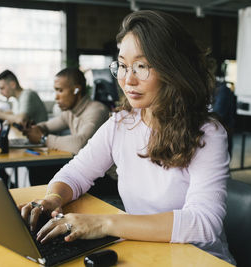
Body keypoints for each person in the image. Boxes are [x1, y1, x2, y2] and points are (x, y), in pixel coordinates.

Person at [20, 10, 235, 265]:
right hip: (144, 252)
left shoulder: (207, 133)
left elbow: (203, 223)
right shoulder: (121, 123)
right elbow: (75, 174)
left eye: (142, 66)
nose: (128, 79)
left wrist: (105, 223)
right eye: (122, 65)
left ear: (173, 69)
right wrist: (53, 199)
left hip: (196, 258)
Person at [23, 67, 110, 185]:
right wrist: (33, 128)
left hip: (105, 176)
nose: (56, 97)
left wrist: (43, 138)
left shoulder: (96, 110)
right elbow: (47, 126)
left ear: (76, 90)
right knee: (37, 168)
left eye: (60, 90)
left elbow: (81, 144)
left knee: (39, 170)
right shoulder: (70, 112)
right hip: (87, 171)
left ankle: (45, 203)